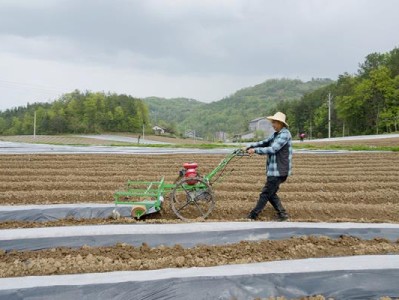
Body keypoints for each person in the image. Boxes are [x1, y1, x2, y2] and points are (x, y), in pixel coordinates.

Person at [244, 111, 292, 221]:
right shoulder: (276, 135)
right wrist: (248, 146)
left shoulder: (285, 134)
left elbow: (273, 149)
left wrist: (255, 150)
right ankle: (283, 214)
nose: (272, 124)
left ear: (280, 123)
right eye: (273, 122)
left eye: (274, 122)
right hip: (274, 170)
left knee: (265, 193)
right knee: (271, 193)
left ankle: (253, 215)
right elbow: (265, 142)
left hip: (279, 170)